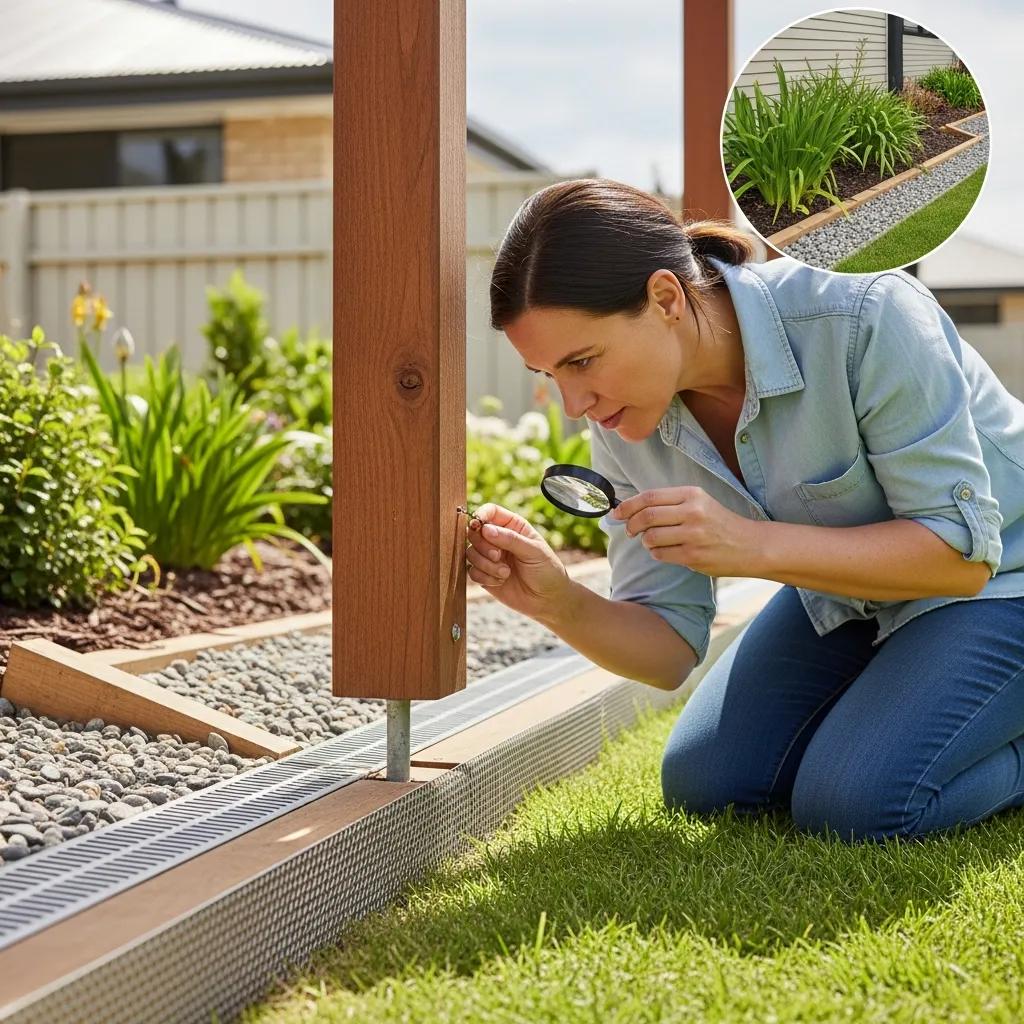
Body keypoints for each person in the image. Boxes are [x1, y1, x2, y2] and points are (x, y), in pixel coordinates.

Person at [465, 177, 1024, 844]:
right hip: (855, 598)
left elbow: (960, 557)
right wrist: (556, 602)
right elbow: (669, 648)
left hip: (1001, 577)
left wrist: (751, 545)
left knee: (858, 805)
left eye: (582, 361)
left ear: (666, 297)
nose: (574, 403)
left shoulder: (863, 313)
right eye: (551, 374)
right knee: (711, 784)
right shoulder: (625, 425)